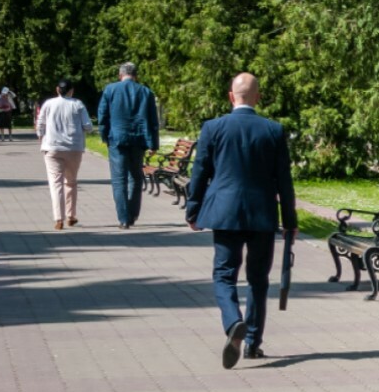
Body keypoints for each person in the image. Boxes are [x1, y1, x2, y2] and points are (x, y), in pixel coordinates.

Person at [185, 73, 297, 369]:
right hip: (262, 214)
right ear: (258, 98)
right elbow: (283, 180)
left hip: (224, 213)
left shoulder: (213, 128)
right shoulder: (273, 130)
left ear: (231, 96)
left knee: (224, 274)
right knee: (258, 280)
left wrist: (193, 210)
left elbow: (200, 172)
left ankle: (233, 321)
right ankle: (252, 343)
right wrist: (290, 220)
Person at [96, 62, 160, 229]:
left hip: (117, 139)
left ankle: (123, 218)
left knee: (119, 180)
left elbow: (102, 115)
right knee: (136, 178)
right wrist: (154, 143)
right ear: (136, 75)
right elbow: (153, 121)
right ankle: (132, 214)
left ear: (120, 75)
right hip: (138, 139)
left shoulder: (110, 90)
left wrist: (104, 135)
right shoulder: (146, 92)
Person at [35, 79, 92, 230]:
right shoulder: (78, 104)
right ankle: (71, 216)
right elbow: (88, 126)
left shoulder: (48, 104)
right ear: (71, 91)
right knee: (71, 182)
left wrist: (41, 137)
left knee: (56, 184)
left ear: (57, 89)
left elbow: (40, 123)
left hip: (52, 148)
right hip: (74, 148)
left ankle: (58, 219)